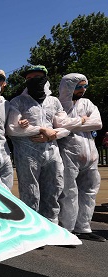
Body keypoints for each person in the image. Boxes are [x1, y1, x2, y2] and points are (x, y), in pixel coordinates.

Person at [6, 65, 85, 224]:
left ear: (44, 79)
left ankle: (51, 225)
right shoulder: (18, 101)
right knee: (30, 191)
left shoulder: (54, 101)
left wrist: (51, 135)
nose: (32, 81)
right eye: (28, 79)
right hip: (28, 154)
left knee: (54, 188)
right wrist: (40, 129)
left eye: (36, 78)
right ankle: (33, 227)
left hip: (51, 151)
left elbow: (65, 126)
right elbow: (12, 128)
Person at [57, 73, 105, 242]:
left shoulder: (87, 103)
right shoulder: (58, 104)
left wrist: (73, 123)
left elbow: (98, 123)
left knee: (90, 190)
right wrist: (82, 121)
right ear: (68, 87)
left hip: (90, 154)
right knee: (69, 191)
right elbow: (59, 124)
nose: (83, 90)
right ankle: (68, 228)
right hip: (69, 153)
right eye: (79, 86)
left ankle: (83, 227)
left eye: (85, 86)